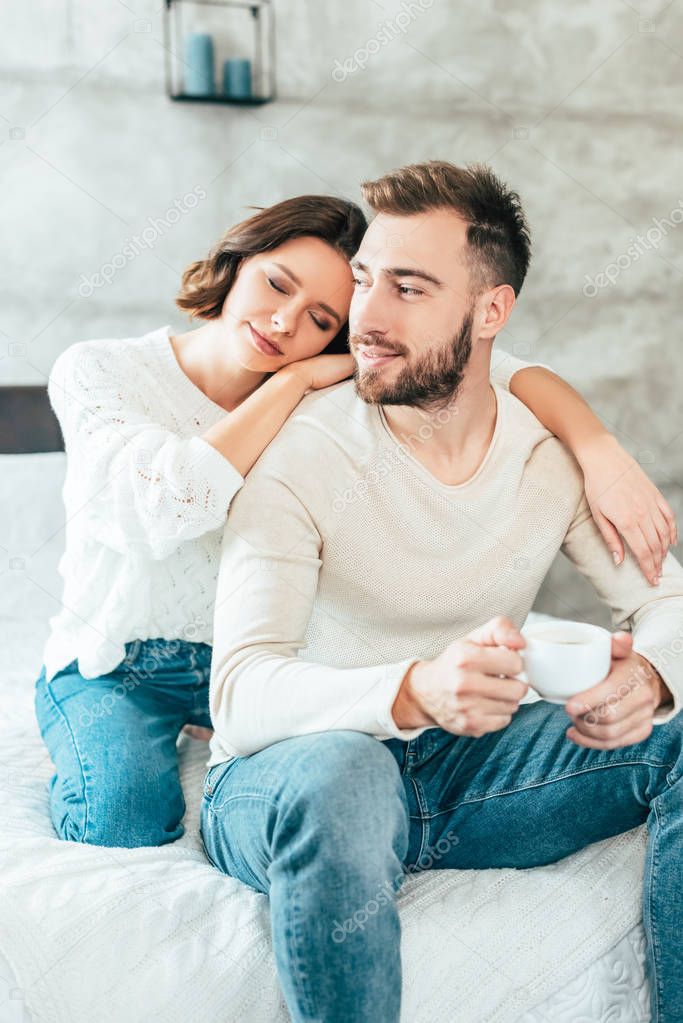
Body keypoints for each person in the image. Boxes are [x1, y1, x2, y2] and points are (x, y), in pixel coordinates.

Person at [34, 192, 673, 850]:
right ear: (238, 258)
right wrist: (293, 383)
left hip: (236, 661)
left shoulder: (332, 385)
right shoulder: (102, 370)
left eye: (319, 318)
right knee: (126, 813)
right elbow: (170, 503)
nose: (282, 324)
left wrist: (594, 444)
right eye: (275, 283)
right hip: (114, 661)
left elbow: (482, 363)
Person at [202, 163, 683, 1023]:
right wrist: (413, 689)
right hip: (295, 768)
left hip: (464, 769)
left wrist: (648, 676)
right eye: (362, 281)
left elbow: (668, 605)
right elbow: (238, 697)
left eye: (408, 287)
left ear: (490, 311)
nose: (366, 318)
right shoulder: (302, 454)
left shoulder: (546, 458)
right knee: (344, 769)